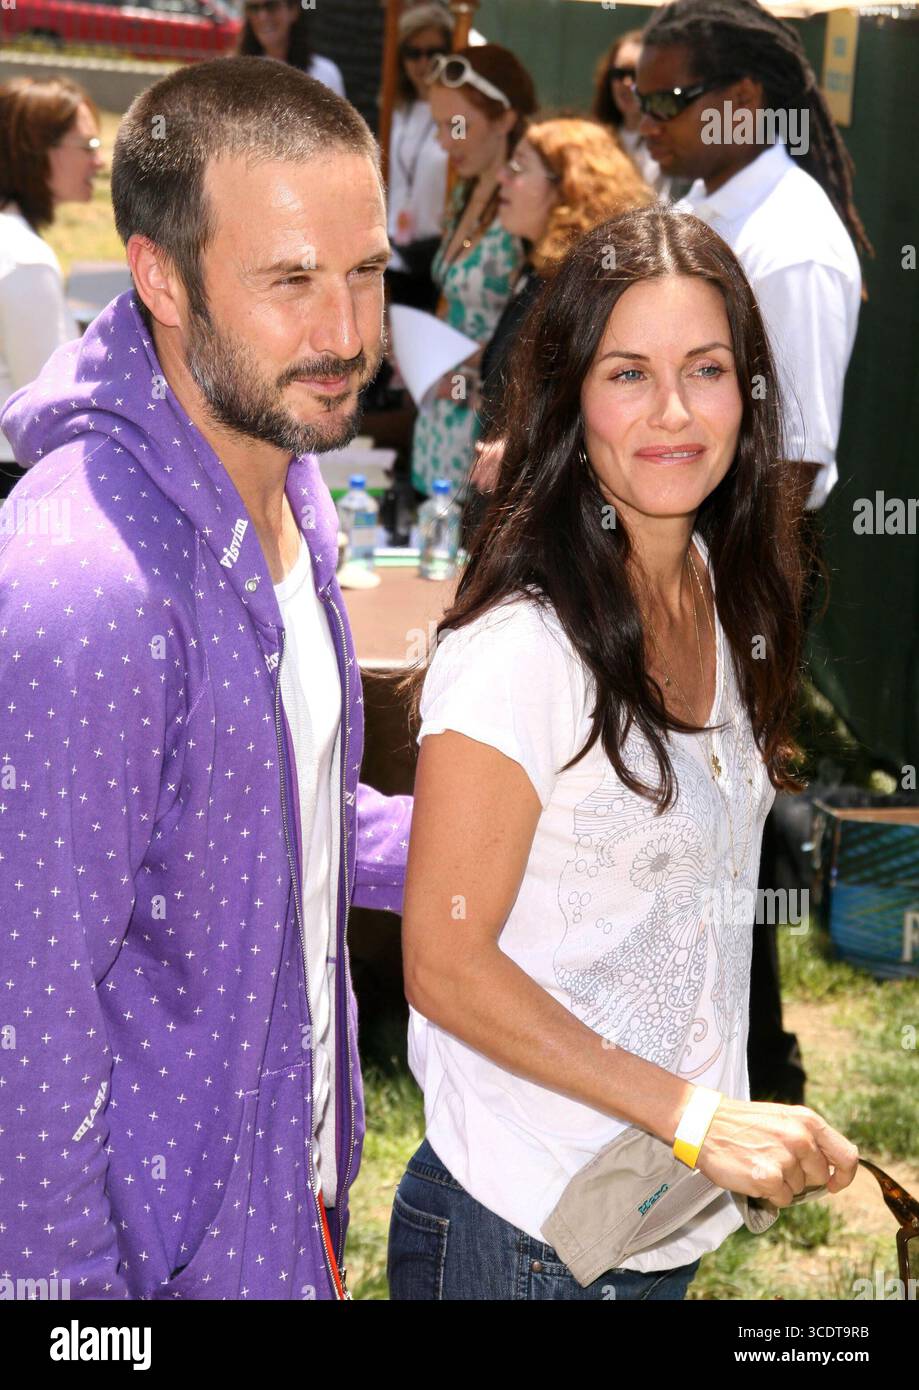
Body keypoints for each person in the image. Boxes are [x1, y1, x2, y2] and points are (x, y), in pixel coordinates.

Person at [387, 204, 859, 1301]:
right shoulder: (521, 646)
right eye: (626, 373)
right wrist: (698, 1115)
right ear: (569, 395)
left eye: (704, 369)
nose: (672, 413)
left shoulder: (716, 580)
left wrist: (721, 1115)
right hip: (523, 1238)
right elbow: (445, 964)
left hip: (653, 1215)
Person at [0, 56, 411, 1301]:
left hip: (287, 1217)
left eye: (366, 272)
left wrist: (506, 837)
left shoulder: (286, 482)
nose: (344, 334)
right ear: (160, 279)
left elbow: (271, 808)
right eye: (290, 281)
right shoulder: (84, 587)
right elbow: (28, 1013)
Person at [637, 0, 871, 1104]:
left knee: (730, 851)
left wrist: (742, 643)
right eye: (639, 100)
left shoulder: (795, 246)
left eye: (667, 102)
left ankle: (763, 1083)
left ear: (738, 106)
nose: (644, 123)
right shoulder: (699, 204)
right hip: (665, 573)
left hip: (735, 588)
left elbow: (789, 475)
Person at [466, 116, 654, 525]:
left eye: (518, 167)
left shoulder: (592, 288)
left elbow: (608, 407)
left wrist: (524, 450)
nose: (502, 177)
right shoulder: (537, 276)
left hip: (555, 531)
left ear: (567, 187)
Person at [408, 44, 536, 500]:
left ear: (504, 119)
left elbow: (540, 331)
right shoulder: (465, 194)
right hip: (442, 419)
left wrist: (462, 375)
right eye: (438, 126)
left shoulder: (528, 207)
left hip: (484, 422)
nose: (443, 141)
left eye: (456, 125)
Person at [0, 75, 103, 495]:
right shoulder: (24, 256)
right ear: (37, 152)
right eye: (88, 147)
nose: (99, 162)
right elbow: (47, 406)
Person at [385, 2, 453, 313]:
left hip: (436, 256)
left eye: (434, 52)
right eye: (413, 53)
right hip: (392, 254)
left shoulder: (458, 118)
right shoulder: (395, 111)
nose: (423, 62)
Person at [592, 30, 674, 199]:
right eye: (619, 74)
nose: (626, 83)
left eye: (635, 73)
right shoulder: (596, 140)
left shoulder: (674, 142)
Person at [237, 0, 346, 96]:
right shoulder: (238, 75)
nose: (262, 16)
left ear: (293, 10)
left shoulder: (325, 74)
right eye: (253, 8)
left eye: (271, 6)